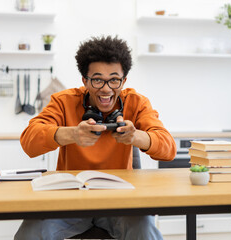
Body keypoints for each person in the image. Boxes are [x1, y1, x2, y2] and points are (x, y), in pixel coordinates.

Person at [15, 35, 176, 240]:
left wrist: (136, 136)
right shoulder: (63, 101)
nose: (106, 89)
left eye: (114, 80)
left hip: (120, 203)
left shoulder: (137, 103)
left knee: (144, 229)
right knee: (30, 233)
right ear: (85, 80)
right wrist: (72, 133)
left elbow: (168, 148)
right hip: (70, 201)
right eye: (98, 80)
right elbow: (29, 141)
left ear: (124, 80)